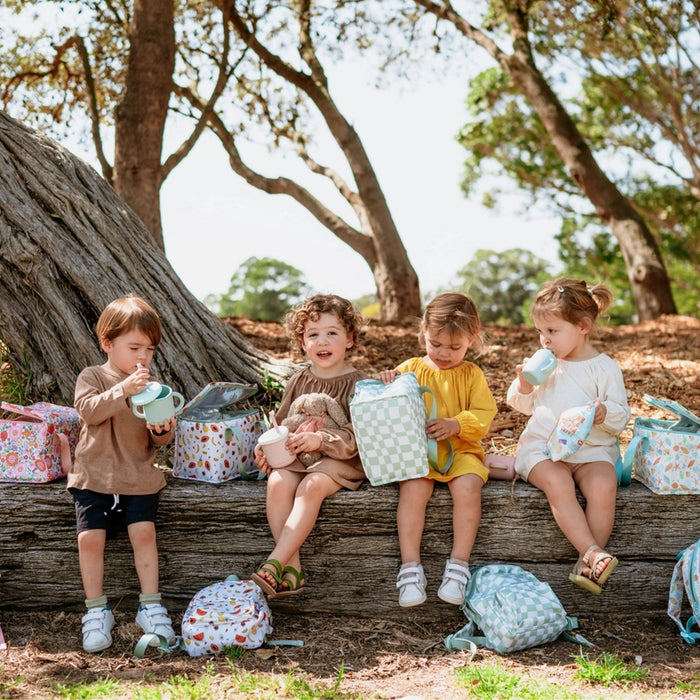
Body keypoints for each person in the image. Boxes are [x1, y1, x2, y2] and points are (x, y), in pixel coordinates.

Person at [506, 278, 631, 594]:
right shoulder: (546, 365)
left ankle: (586, 563)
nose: (544, 340)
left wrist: (604, 412)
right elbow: (521, 405)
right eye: (540, 332)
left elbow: (621, 415)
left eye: (552, 331)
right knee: (558, 482)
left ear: (583, 326)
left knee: (604, 484)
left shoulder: (604, 368)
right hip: (544, 450)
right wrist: (523, 384)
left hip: (591, 451)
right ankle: (593, 552)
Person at [68, 295, 177, 652]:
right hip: (94, 476)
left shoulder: (152, 386)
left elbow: (160, 438)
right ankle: (97, 611)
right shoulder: (93, 376)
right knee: (90, 540)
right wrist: (122, 390)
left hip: (137, 475)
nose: (142, 357)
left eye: (149, 349)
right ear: (107, 343)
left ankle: (151, 605)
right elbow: (88, 411)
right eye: (134, 347)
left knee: (144, 533)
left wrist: (162, 430)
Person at [377, 293, 497, 607]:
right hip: (419, 452)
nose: (444, 353)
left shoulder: (472, 374)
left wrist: (457, 424)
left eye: (455, 347)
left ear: (472, 340)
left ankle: (458, 567)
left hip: (461, 451)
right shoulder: (411, 368)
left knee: (469, 487)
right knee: (413, 490)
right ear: (423, 334)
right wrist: (386, 381)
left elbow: (485, 414)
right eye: (435, 344)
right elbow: (389, 402)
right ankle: (410, 568)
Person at [252, 294, 369, 599]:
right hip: (299, 457)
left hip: (341, 458)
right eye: (313, 335)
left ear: (350, 339)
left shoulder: (360, 384)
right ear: (302, 343)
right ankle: (292, 569)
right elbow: (281, 423)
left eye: (332, 333)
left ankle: (274, 561)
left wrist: (322, 439)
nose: (322, 341)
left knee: (311, 487)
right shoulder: (298, 380)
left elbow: (360, 435)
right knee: (278, 482)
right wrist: (265, 449)